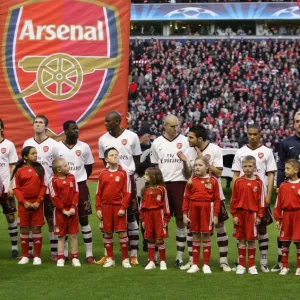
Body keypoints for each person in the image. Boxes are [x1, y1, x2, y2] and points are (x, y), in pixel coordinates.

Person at [178, 124, 231, 271]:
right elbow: (187, 175)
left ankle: (224, 261)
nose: (188, 139)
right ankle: (192, 260)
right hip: (195, 197)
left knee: (220, 228)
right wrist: (184, 162)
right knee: (192, 229)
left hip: (214, 197)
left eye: (191, 137)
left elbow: (219, 173)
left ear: (199, 139)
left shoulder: (215, 149)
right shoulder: (188, 151)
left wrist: (202, 158)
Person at [232, 124, 277, 272]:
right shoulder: (240, 152)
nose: (252, 137)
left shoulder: (267, 152)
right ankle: (241, 262)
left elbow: (270, 174)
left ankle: (263, 262)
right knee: (242, 232)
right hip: (244, 200)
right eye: (249, 134)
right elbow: (236, 175)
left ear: (260, 134)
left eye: (255, 134)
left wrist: (268, 195)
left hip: (260, 197)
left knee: (262, 229)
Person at [98, 111, 142, 265]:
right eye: (105, 121)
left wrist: (129, 174)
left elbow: (137, 159)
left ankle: (133, 255)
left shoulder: (132, 136)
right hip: (110, 179)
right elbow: (104, 161)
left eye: (108, 121)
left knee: (131, 216)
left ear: (117, 121)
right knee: (108, 220)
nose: (106, 123)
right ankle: (107, 255)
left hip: (127, 178)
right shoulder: (103, 139)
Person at [150, 114, 189, 267]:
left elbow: (189, 167)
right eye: (172, 125)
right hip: (163, 185)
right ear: (164, 125)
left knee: (181, 220)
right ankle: (158, 256)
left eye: (177, 125)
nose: (175, 128)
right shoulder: (157, 143)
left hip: (180, 184)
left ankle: (179, 256)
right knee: (159, 221)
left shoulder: (185, 142)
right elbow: (154, 168)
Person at [55, 120, 95, 264]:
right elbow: (54, 166)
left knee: (84, 219)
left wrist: (79, 179)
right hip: (63, 187)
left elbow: (89, 167)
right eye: (73, 129)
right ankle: (64, 253)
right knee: (64, 219)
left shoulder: (84, 147)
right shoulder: (57, 147)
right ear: (65, 131)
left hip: (80, 184)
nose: (76, 131)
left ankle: (89, 254)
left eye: (77, 128)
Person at [23, 115, 58, 261]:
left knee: (51, 220)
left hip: (48, 190)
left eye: (41, 123)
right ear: (33, 125)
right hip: (31, 191)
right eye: (35, 122)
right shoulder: (27, 142)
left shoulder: (53, 144)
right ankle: (30, 251)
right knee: (29, 221)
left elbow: (58, 166)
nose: (38, 125)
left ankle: (54, 252)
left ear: (46, 126)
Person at [272, 111, 300, 272]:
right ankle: (281, 261)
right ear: (293, 123)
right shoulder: (285, 143)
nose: (299, 124)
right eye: (297, 121)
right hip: (290, 188)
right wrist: (279, 184)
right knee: (285, 232)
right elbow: (282, 167)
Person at [182, 156, 221, 274]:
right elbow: (186, 199)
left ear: (207, 167)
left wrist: (215, 215)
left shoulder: (213, 181)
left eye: (200, 165)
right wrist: (184, 214)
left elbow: (217, 199)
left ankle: (206, 264)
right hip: (193, 209)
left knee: (206, 236)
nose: (197, 167)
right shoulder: (191, 181)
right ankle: (195, 264)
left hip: (207, 209)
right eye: (195, 165)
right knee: (195, 236)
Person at [95, 147, 132, 268]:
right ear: (106, 159)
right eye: (112, 155)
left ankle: (125, 259)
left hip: (118, 208)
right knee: (107, 233)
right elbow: (98, 193)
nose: (115, 156)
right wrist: (98, 208)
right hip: (106, 208)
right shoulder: (102, 174)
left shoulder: (123, 173)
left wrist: (123, 207)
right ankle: (110, 258)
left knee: (122, 232)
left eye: (116, 154)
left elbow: (127, 192)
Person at [230, 156, 265, 275]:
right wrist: (234, 214)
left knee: (251, 240)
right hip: (240, 214)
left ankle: (251, 265)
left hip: (252, 214)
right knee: (241, 239)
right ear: (242, 167)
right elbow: (233, 199)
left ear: (255, 167)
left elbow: (262, 201)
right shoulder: (238, 181)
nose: (248, 168)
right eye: (245, 166)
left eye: (250, 166)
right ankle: (241, 265)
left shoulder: (259, 183)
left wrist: (260, 216)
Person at [12, 146, 46, 265]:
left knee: (36, 228)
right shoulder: (20, 171)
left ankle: (37, 256)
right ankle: (25, 256)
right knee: (24, 228)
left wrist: (38, 201)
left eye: (36, 153)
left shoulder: (40, 169)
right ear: (25, 157)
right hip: (23, 205)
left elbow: (43, 186)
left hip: (37, 204)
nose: (36, 155)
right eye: (33, 153)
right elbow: (16, 188)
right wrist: (23, 202)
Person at [48, 158, 81, 267]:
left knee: (73, 235)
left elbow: (76, 192)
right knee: (61, 236)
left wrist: (72, 208)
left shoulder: (72, 177)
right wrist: (63, 209)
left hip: (72, 212)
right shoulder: (52, 180)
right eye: (66, 165)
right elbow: (54, 197)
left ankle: (75, 257)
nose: (68, 167)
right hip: (59, 213)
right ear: (59, 169)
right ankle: (61, 257)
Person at [140, 167, 170, 271]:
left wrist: (166, 219)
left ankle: (162, 261)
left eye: (146, 174)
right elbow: (142, 206)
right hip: (148, 216)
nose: (144, 176)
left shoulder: (162, 189)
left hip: (159, 215)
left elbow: (166, 205)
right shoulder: (144, 190)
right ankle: (152, 261)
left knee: (159, 239)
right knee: (150, 238)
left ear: (154, 176)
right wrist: (143, 219)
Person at [274, 159, 300, 276]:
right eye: (285, 168)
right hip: (286, 215)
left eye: (288, 168)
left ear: (296, 170)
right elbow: (278, 204)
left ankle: (299, 267)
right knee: (284, 241)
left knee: (298, 242)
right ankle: (285, 266)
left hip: (298, 215)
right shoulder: (283, 186)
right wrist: (278, 218)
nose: (285, 171)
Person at [0, 118, 19, 258]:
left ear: (1, 128)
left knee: (11, 216)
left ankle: (14, 247)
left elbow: (13, 166)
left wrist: (12, 185)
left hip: (6, 188)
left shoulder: (9, 145)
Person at [135, 124, 154, 253]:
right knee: (135, 213)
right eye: (140, 135)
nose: (140, 137)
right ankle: (134, 241)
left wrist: (142, 166)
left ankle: (147, 240)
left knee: (146, 212)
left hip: (147, 181)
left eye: (145, 135)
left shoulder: (153, 148)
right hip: (137, 181)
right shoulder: (135, 147)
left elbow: (151, 166)